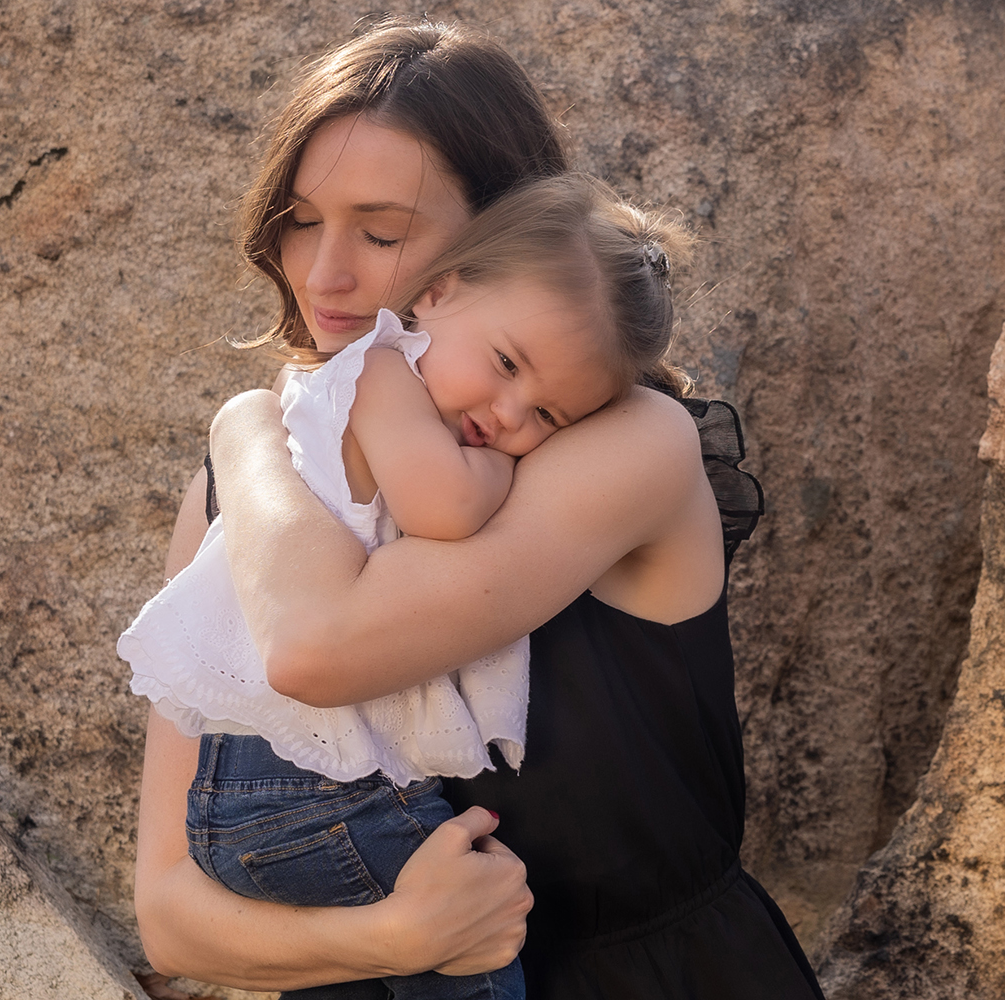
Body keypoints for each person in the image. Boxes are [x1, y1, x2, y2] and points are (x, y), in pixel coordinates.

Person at [133, 17, 825, 1000]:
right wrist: (394, 936)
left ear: (494, 234)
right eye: (300, 219)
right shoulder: (255, 486)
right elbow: (169, 912)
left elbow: (314, 648)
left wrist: (243, 426)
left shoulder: (623, 443)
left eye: (381, 232)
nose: (325, 274)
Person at [122, 174, 690, 1000]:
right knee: (474, 960)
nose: (507, 414)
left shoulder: (630, 448)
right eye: (505, 365)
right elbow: (443, 506)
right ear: (443, 288)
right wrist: (498, 468)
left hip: (274, 784)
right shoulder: (380, 373)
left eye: (548, 417)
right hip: (294, 779)